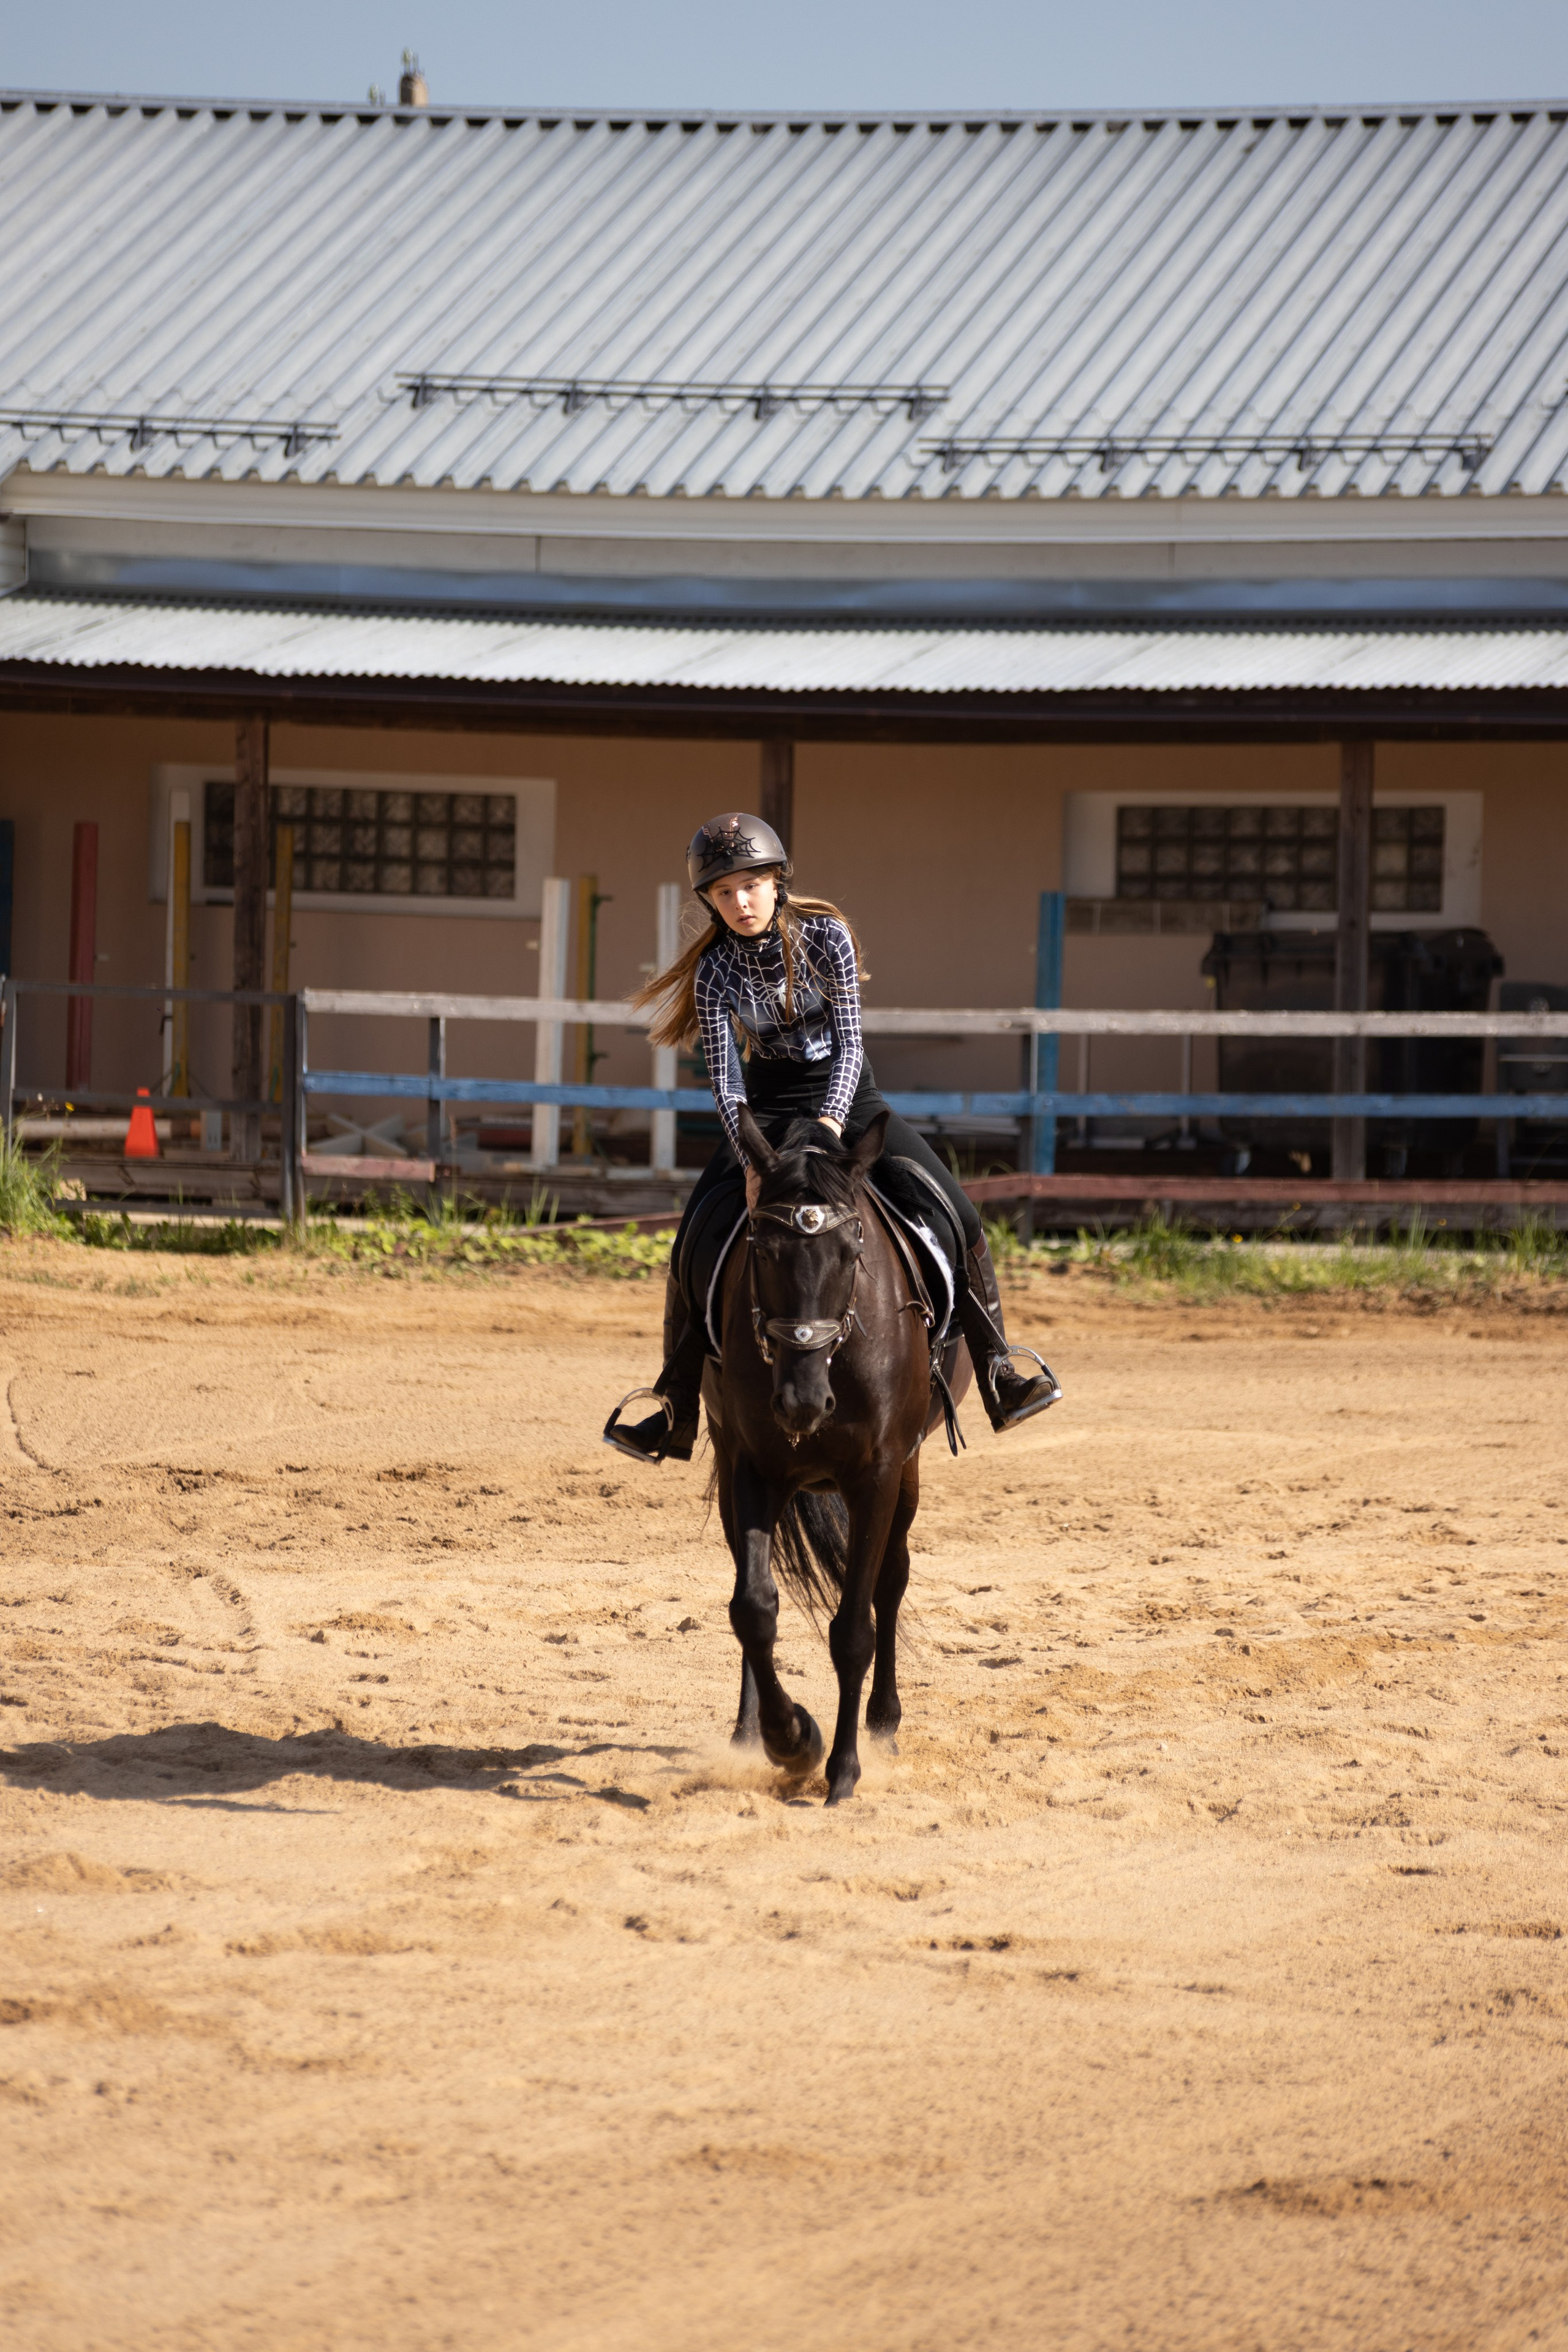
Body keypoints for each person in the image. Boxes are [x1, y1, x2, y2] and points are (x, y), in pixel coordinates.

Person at [605, 812, 1058, 1464]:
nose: (739, 903)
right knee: (692, 1238)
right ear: (708, 901)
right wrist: (750, 1158)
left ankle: (998, 1372)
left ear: (777, 883)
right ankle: (674, 1405)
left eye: (751, 886)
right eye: (723, 893)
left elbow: (850, 1047)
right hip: (765, 1106)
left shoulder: (827, 937)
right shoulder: (712, 973)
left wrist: (830, 1124)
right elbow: (727, 1082)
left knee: (955, 1210)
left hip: (847, 1095)